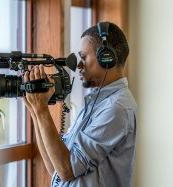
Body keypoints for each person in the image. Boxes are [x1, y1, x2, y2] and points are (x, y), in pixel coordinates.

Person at [23, 21, 137, 187]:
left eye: (83, 57)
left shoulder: (117, 108)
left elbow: (66, 169)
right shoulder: (95, 103)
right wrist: (35, 110)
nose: (78, 65)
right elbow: (56, 170)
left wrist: (42, 111)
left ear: (106, 58)